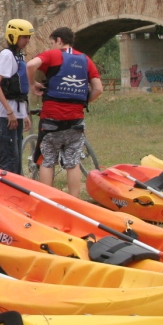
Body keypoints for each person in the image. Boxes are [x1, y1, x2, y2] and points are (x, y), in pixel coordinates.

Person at [26, 27, 103, 197]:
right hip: (75, 120)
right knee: (72, 162)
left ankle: (48, 200)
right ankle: (73, 202)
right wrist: (82, 101)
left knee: (47, 161)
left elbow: (30, 65)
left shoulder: (52, 55)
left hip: (51, 119)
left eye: (52, 42)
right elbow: (98, 89)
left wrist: (32, 84)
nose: (52, 46)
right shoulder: (85, 60)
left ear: (59, 40)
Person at [0, 19, 34, 174]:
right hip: (7, 114)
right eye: (23, 37)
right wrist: (9, 112)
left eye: (28, 37)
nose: (27, 41)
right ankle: (7, 192)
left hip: (17, 112)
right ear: (14, 36)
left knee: (16, 158)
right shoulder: (7, 55)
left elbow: (20, 89)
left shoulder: (19, 56)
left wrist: (24, 114)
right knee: (9, 158)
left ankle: (16, 193)